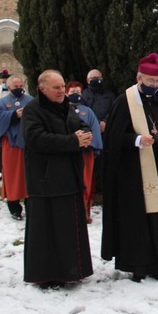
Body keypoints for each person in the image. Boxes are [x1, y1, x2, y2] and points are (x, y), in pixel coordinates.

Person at [102, 53, 158, 281]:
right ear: (138, 78)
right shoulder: (124, 102)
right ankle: (139, 266)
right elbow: (113, 139)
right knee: (138, 222)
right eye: (150, 81)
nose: (154, 85)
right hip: (134, 174)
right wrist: (136, 140)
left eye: (157, 81)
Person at [21, 70, 93, 288]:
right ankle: (47, 275)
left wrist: (85, 134)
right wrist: (73, 141)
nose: (62, 91)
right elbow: (36, 139)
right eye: (56, 87)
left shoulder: (66, 107)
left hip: (68, 178)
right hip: (45, 181)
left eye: (62, 86)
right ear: (42, 89)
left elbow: (79, 125)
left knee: (68, 229)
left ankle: (72, 271)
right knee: (47, 231)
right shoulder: (33, 110)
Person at [0, 76, 32, 220]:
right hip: (11, 145)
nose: (19, 87)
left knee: (29, 175)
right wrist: (14, 114)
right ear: (8, 88)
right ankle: (14, 208)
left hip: (28, 144)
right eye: (16, 86)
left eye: (21, 85)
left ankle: (31, 205)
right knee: (12, 175)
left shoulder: (31, 100)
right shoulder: (2, 103)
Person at [66, 81, 103, 223]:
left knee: (85, 181)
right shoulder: (62, 110)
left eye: (78, 92)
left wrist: (91, 145)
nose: (75, 94)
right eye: (72, 92)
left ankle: (85, 211)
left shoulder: (87, 111)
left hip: (86, 153)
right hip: (69, 152)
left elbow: (95, 129)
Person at [81, 69, 116, 134]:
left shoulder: (109, 94)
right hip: (92, 131)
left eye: (99, 78)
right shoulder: (84, 96)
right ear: (88, 80)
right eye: (94, 78)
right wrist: (98, 123)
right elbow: (84, 112)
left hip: (108, 129)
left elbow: (114, 109)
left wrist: (105, 121)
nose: (97, 80)